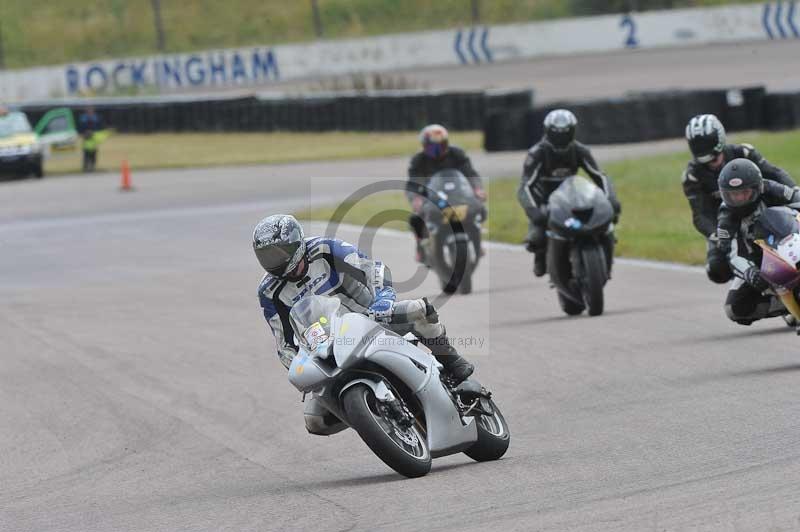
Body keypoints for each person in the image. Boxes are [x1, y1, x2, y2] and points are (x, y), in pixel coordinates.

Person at [254, 214, 475, 435]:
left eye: (280, 252)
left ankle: (453, 363)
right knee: (315, 421)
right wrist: (301, 368)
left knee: (418, 310)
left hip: (372, 320)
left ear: (296, 242)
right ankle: (373, 417)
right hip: (327, 351)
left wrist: (383, 300)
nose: (275, 260)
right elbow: (283, 342)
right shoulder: (268, 291)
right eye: (268, 256)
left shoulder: (325, 249)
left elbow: (373, 269)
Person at [682, 114, 796, 284]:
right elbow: (700, 215)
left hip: (762, 212)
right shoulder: (692, 176)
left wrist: (793, 193)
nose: (712, 162)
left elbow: (776, 175)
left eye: (714, 156)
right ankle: (750, 278)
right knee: (717, 269)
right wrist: (720, 236)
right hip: (725, 224)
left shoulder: (744, 152)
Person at [517, 109, 620, 277]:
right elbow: (525, 186)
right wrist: (534, 211)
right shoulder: (537, 153)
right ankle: (541, 255)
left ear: (572, 131)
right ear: (548, 131)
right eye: (557, 133)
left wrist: (611, 199)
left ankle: (605, 254)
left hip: (573, 195)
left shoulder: (580, 150)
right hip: (545, 200)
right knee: (537, 238)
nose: (561, 138)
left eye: (565, 133)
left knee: (606, 219)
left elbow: (599, 176)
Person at [715, 158, 800, 325]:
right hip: (757, 260)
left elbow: (798, 199)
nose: (739, 198)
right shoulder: (726, 216)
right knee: (735, 308)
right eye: (733, 195)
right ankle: (783, 304)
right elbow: (730, 252)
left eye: (744, 192)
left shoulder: (771, 189)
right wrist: (749, 271)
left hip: (790, 242)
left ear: (757, 187)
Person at [407, 124, 486, 262]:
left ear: (446, 144)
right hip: (432, 199)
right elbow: (414, 183)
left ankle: (477, 241)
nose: (437, 151)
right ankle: (420, 248)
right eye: (433, 147)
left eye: (441, 146)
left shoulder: (457, 154)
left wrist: (477, 189)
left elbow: (470, 173)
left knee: (480, 209)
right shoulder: (418, 160)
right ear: (425, 146)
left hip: (458, 194)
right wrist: (416, 198)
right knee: (415, 220)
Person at [77, 107, 104, 172]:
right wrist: (84, 133)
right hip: (86, 138)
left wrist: (95, 133)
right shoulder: (83, 118)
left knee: (93, 153)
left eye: (91, 111)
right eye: (89, 111)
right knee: (86, 153)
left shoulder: (96, 118)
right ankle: (85, 167)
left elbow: (99, 127)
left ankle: (92, 166)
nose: (90, 112)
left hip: (94, 138)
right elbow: (80, 128)